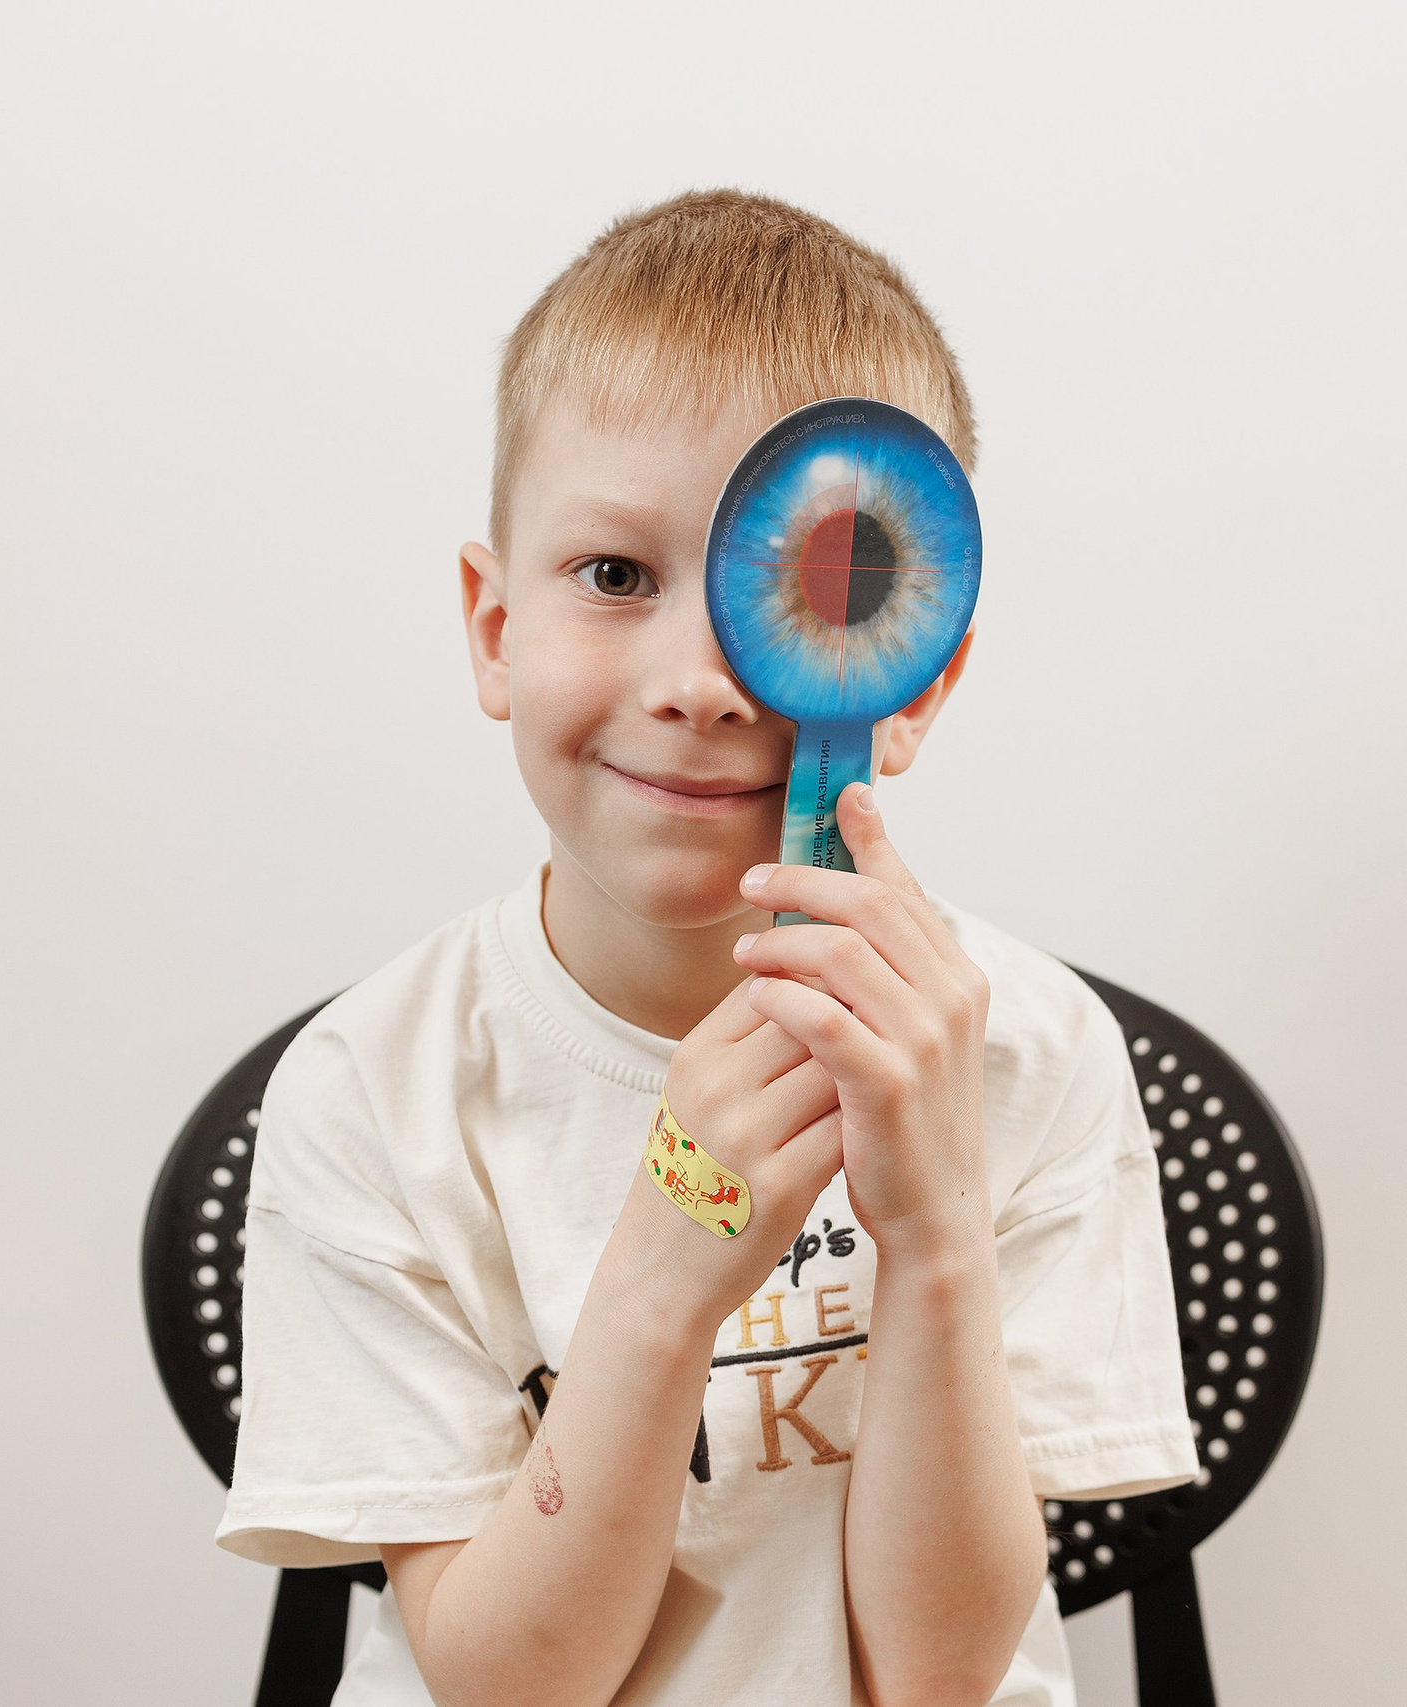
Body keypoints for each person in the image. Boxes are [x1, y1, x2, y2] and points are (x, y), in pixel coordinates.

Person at [215, 190, 1197, 1707]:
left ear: (918, 681)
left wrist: (934, 1235)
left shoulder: (1024, 1053)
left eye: (812, 591)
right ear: (493, 626)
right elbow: (510, 1689)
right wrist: (672, 1261)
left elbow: (936, 1676)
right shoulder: (374, 1089)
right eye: (616, 576)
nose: (699, 682)